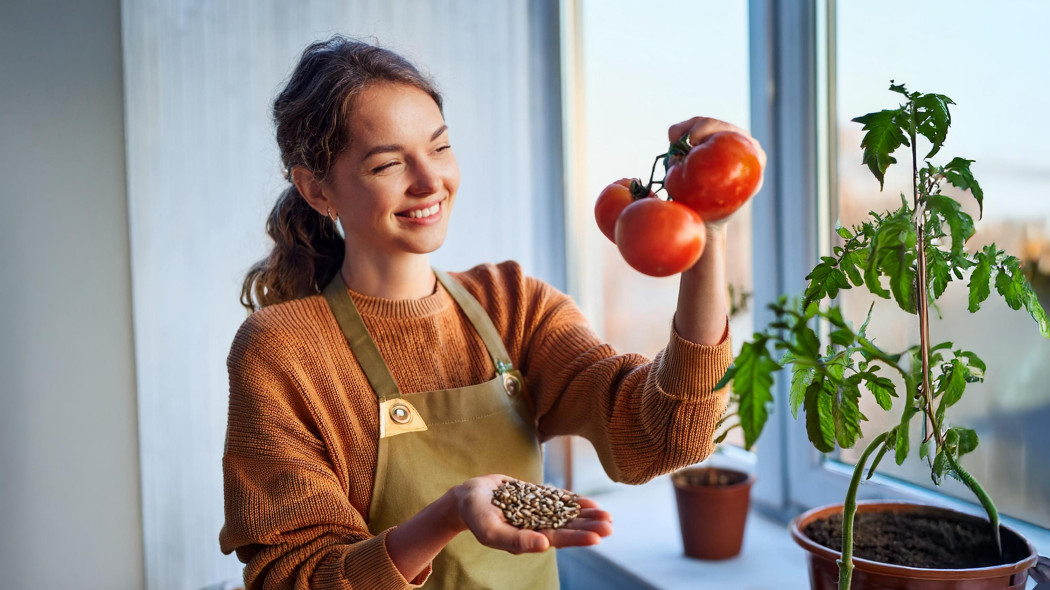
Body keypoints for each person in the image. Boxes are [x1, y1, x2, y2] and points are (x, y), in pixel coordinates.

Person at [219, 35, 764, 589]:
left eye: (439, 147)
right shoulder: (282, 351)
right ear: (317, 189)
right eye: (388, 164)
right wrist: (449, 515)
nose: (431, 182)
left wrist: (708, 232)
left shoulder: (512, 306)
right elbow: (291, 578)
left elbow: (669, 433)